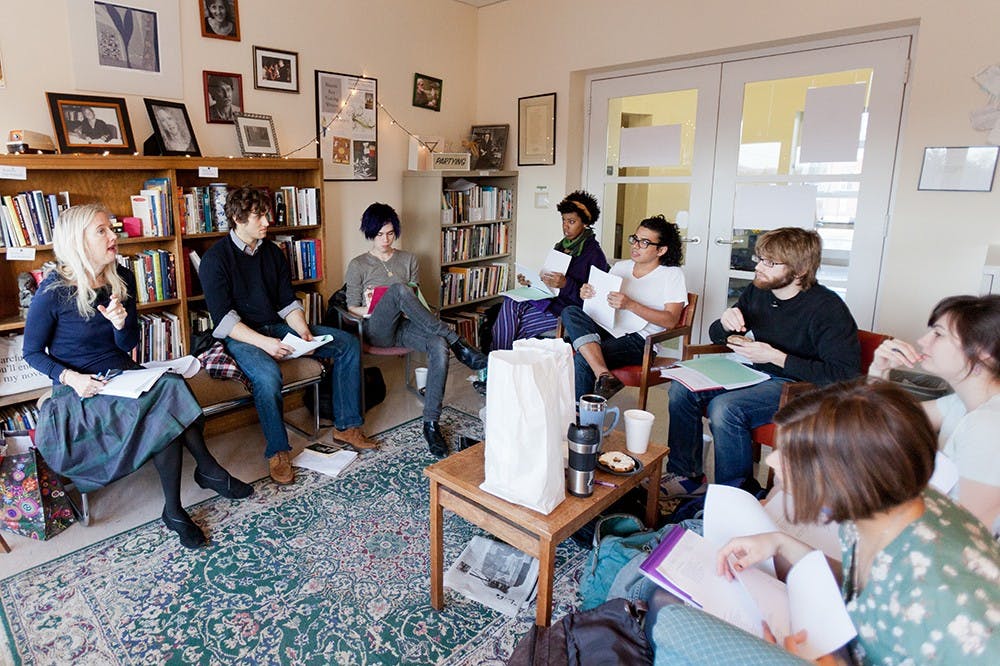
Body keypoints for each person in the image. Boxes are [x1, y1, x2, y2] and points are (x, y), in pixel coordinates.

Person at [647, 381, 1000, 664]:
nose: (773, 465)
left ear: (841, 476)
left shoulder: (946, 607)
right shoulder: (885, 504)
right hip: (841, 642)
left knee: (669, 616)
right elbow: (865, 583)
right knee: (666, 600)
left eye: (790, 457)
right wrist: (780, 543)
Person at [23, 204, 251, 550]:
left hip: (121, 374)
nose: (113, 236)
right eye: (101, 230)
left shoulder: (123, 278)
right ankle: (205, 472)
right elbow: (33, 353)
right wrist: (72, 378)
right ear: (77, 240)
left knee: (169, 388)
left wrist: (119, 324)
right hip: (82, 389)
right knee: (166, 399)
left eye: (110, 228)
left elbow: (127, 343)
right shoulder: (54, 291)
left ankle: (177, 506)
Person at [199, 187, 376, 485]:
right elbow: (225, 322)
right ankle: (278, 451)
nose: (267, 221)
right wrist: (266, 343)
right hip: (241, 336)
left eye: (266, 214)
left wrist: (303, 331)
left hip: (276, 327)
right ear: (237, 218)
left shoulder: (271, 252)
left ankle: (346, 426)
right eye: (259, 216)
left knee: (346, 344)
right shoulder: (215, 260)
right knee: (267, 376)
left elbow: (286, 301)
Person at [663, 227, 859, 494]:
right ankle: (686, 476)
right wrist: (724, 323)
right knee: (681, 389)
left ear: (799, 271)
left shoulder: (827, 309)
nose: (758, 267)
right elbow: (718, 336)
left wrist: (777, 357)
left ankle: (736, 493)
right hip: (757, 375)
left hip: (802, 387)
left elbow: (844, 374)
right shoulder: (760, 293)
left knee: (726, 408)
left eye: (770, 262)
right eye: (759, 259)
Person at [344, 203, 488, 457]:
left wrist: (409, 304)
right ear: (369, 233)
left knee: (438, 345)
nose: (385, 240)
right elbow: (351, 307)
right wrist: (370, 306)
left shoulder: (408, 259)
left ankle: (431, 423)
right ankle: (458, 341)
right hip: (376, 327)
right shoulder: (359, 264)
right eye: (379, 234)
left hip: (405, 325)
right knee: (399, 290)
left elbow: (416, 300)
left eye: (390, 233)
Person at [867, 294, 1000, 535]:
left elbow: (969, 534)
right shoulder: (960, 404)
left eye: (938, 334)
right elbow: (880, 423)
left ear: (984, 352)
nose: (922, 340)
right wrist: (879, 370)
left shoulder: (990, 425)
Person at [560, 214, 687, 401]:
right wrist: (587, 294)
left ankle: (582, 420)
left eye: (644, 242)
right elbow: (602, 303)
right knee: (569, 311)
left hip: (641, 341)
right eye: (635, 239)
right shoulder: (621, 267)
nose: (635, 246)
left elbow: (671, 320)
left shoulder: (672, 275)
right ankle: (604, 375)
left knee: (583, 357)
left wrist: (630, 305)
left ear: (661, 250)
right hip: (608, 328)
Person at [490, 190, 609, 351]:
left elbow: (595, 300)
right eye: (563, 220)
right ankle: (497, 360)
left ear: (585, 223)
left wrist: (566, 284)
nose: (565, 226)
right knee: (510, 302)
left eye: (572, 221)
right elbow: (550, 283)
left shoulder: (594, 254)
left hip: (570, 311)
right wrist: (532, 282)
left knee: (519, 325)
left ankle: (496, 363)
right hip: (550, 302)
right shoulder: (561, 246)